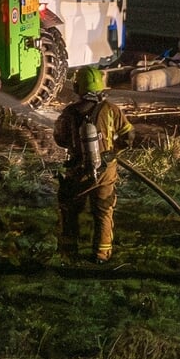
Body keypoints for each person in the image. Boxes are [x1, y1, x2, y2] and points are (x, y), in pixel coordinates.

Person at [54, 66, 134, 262]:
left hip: (77, 171)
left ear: (78, 86)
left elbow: (60, 139)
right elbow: (129, 135)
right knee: (104, 211)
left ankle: (69, 254)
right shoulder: (111, 110)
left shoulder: (70, 112)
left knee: (70, 211)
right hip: (106, 170)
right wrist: (112, 152)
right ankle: (101, 254)